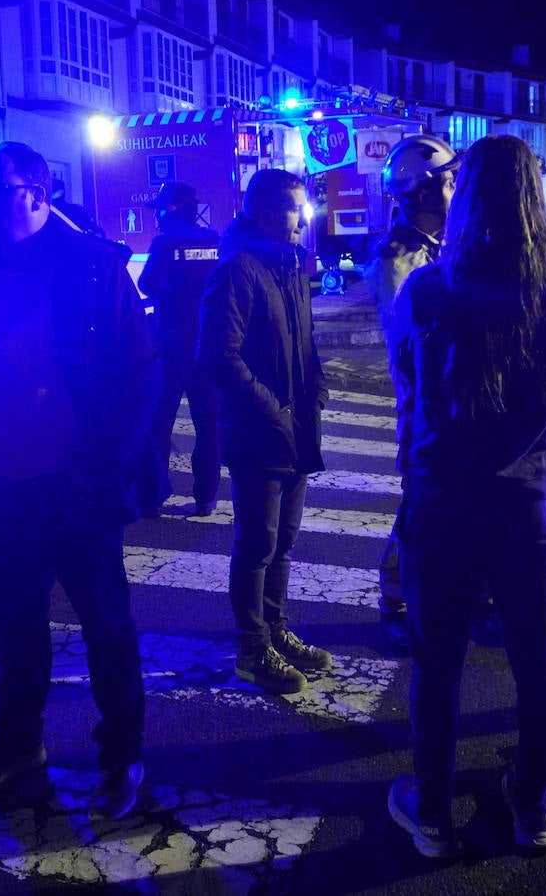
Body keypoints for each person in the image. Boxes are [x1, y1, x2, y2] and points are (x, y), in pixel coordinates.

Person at [0, 142, 167, 821]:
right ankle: (18, 750)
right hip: (1, 489)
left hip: (76, 489)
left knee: (106, 628)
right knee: (17, 625)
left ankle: (123, 758)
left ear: (37, 193)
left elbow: (142, 374)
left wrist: (104, 468)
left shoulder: (93, 267)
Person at [386, 135, 546, 857]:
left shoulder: (428, 289)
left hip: (442, 500)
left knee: (437, 666)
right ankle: (534, 808)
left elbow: (408, 387)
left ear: (464, 198)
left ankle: (433, 810)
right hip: (527, 507)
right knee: (539, 662)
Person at [197, 168, 332, 696]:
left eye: (303, 207)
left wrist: (315, 392)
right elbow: (216, 356)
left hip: (295, 428)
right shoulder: (237, 269)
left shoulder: (290, 265)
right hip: (260, 433)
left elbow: (306, 344)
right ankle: (252, 649)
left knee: (285, 542)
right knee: (256, 543)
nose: (303, 218)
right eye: (294, 208)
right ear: (264, 211)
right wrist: (272, 409)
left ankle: (275, 631)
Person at [364, 134, 460, 653]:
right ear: (422, 193)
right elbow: (413, 340)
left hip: (446, 399)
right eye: (447, 182)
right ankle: (395, 601)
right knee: (418, 505)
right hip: (422, 405)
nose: (455, 189)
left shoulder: (438, 247)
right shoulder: (399, 262)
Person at [140, 181, 222, 517]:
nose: (157, 217)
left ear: (170, 210)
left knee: (159, 423)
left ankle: (155, 496)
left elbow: (147, 284)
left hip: (172, 345)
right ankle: (206, 497)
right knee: (208, 425)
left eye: (160, 209)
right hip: (208, 345)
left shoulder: (164, 243)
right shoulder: (216, 241)